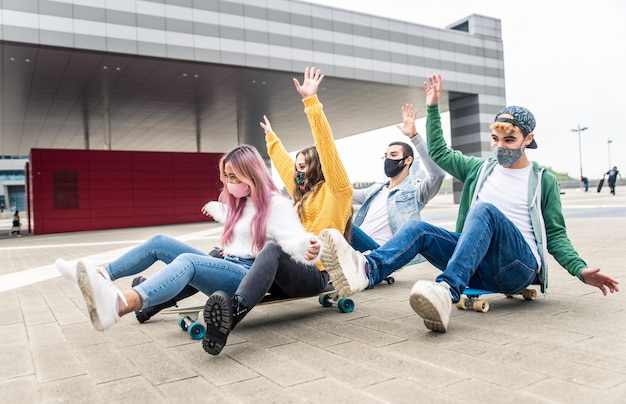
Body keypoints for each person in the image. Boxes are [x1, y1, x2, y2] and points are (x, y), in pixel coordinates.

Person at [319, 74, 619, 333]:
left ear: (528, 139)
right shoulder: (479, 169)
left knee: (485, 210)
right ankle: (368, 270)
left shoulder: (543, 180)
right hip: (476, 265)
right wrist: (433, 107)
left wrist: (579, 269)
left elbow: (555, 234)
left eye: (510, 140)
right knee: (419, 229)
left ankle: (446, 291)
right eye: (495, 140)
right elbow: (439, 151)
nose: (500, 147)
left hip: (518, 268)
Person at [56, 144, 321, 332]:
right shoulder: (240, 203)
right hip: (231, 264)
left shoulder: (275, 204)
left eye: (234, 177)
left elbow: (292, 239)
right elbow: (238, 226)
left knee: (188, 262)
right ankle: (100, 276)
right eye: (226, 176)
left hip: (247, 277)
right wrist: (223, 221)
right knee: (159, 241)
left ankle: (119, 304)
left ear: (252, 174)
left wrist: (307, 248)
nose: (228, 182)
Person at [202, 66, 354, 355]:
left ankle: (231, 314)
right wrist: (272, 140)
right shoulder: (300, 195)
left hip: (315, 273)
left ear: (318, 168)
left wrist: (311, 104)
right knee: (216, 254)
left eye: (303, 167)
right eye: (296, 167)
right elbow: (284, 167)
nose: (296, 173)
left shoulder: (338, 191)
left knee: (272, 249)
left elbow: (328, 150)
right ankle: (158, 299)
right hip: (286, 275)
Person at [351, 103, 445, 261]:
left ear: (408, 160)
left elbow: (438, 175)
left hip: (384, 252)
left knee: (342, 228)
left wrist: (414, 136)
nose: (388, 159)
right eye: (386, 155)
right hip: (357, 247)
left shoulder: (416, 191)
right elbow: (342, 193)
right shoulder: (375, 190)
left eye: (393, 155)